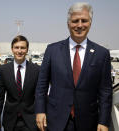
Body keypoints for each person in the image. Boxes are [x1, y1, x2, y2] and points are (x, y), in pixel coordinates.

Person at [35, 2, 112, 131]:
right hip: (55, 121)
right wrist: (40, 111)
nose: (80, 25)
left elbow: (105, 91)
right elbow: (41, 85)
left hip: (88, 122)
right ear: (68, 24)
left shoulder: (101, 54)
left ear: (90, 24)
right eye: (75, 21)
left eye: (84, 21)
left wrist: (104, 121)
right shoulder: (52, 50)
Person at [0, 35, 40, 131]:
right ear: (12, 49)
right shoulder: (4, 70)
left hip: (30, 120)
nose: (19, 51)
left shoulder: (36, 70)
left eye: (23, 48)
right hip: (10, 121)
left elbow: (40, 96)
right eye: (16, 47)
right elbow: (0, 97)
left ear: (27, 50)